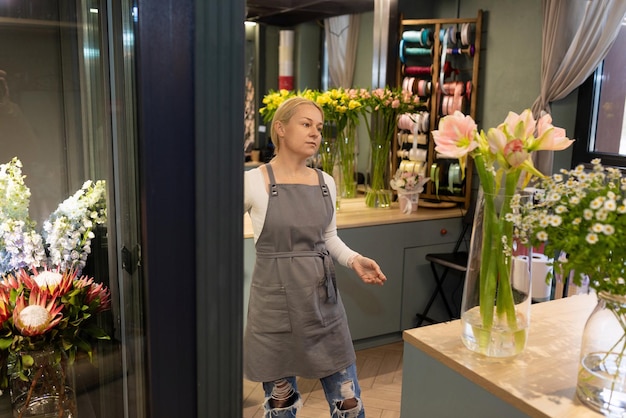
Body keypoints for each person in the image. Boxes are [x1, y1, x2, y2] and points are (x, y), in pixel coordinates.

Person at [243, 96, 387, 418]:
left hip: (324, 309)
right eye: (306, 124)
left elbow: (328, 238)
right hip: (274, 312)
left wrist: (353, 260)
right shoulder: (253, 181)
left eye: (319, 128)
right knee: (281, 408)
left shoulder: (327, 183)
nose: (315, 134)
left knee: (349, 405)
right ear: (280, 129)